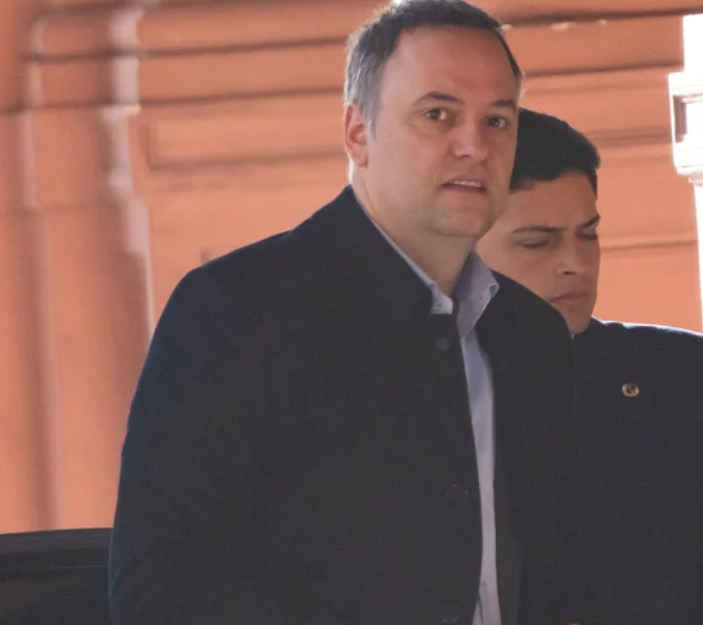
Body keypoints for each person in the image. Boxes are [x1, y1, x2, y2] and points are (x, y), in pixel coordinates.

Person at [107, 5, 574, 625]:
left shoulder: (532, 335)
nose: (475, 146)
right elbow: (163, 592)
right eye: (437, 115)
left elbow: (558, 576)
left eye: (497, 121)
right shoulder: (235, 311)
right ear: (357, 133)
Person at [477, 109, 703, 625]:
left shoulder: (691, 380)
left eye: (588, 235)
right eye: (537, 242)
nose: (576, 264)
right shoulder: (402, 396)